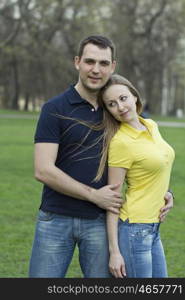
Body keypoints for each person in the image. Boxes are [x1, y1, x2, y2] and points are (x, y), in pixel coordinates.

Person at [29, 35, 173, 278]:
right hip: (55, 218)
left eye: (104, 63)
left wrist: (164, 193)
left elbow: (143, 158)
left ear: (113, 66)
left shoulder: (115, 111)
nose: (96, 69)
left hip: (100, 223)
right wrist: (94, 195)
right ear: (77, 62)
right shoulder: (54, 109)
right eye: (90, 61)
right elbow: (43, 169)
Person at [95, 74, 175, 278]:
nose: (120, 107)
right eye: (112, 104)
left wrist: (167, 193)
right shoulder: (121, 142)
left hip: (153, 228)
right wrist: (114, 251)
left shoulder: (151, 125)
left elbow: (158, 164)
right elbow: (114, 198)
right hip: (134, 229)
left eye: (123, 98)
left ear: (134, 96)